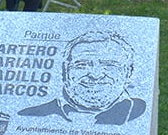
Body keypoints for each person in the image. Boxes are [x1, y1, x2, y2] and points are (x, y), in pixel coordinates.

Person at [18, 31, 147, 125]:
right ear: (65, 71)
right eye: (82, 65)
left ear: (128, 73)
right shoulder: (30, 115)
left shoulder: (139, 113)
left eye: (109, 65)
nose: (95, 75)